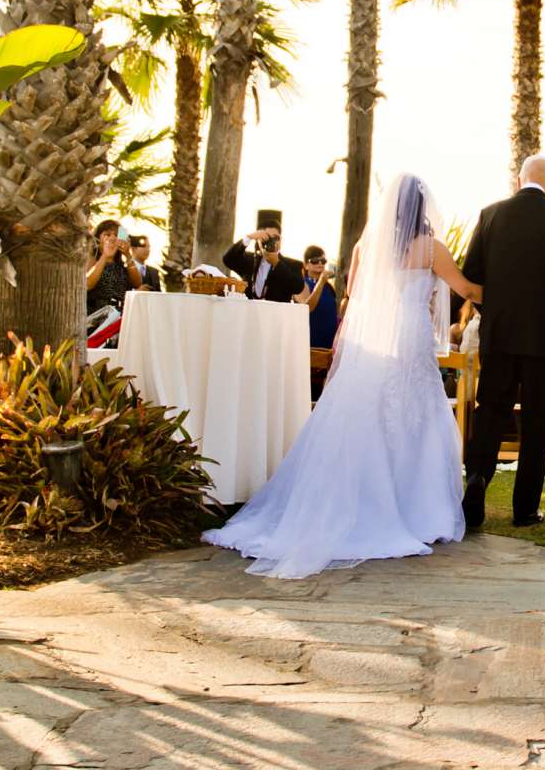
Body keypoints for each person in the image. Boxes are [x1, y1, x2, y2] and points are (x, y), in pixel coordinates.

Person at [205, 173, 481, 577]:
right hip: (410, 335)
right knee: (415, 414)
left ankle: (361, 501)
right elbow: (464, 288)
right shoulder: (431, 247)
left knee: (369, 413)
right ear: (422, 208)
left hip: (375, 338)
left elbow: (355, 292)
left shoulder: (365, 246)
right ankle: (415, 509)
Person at [460, 153, 545, 531]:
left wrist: (499, 304)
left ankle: (478, 479)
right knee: (535, 420)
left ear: (519, 179)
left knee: (490, 410)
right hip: (544, 335)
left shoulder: (491, 213)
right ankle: (525, 508)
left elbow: (472, 272)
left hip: (499, 333)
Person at [223, 224, 307, 303]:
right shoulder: (250, 260)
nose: (272, 241)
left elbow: (298, 287)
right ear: (258, 239)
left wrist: (277, 263)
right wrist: (248, 238)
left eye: (276, 238)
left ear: (281, 240)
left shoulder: (294, 264)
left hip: (276, 316)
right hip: (248, 314)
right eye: (267, 237)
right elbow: (228, 260)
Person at [85, 218, 140, 327]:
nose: (112, 238)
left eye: (116, 235)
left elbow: (137, 283)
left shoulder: (122, 264)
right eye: (107, 234)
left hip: (120, 318)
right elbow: (87, 284)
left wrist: (128, 255)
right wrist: (105, 256)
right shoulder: (91, 259)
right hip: (97, 318)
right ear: (98, 238)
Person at [297, 244, 340, 348]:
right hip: (311, 342)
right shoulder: (301, 284)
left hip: (330, 342)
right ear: (306, 265)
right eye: (315, 260)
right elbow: (307, 308)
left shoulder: (329, 287)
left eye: (323, 260)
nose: (320, 263)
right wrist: (320, 282)